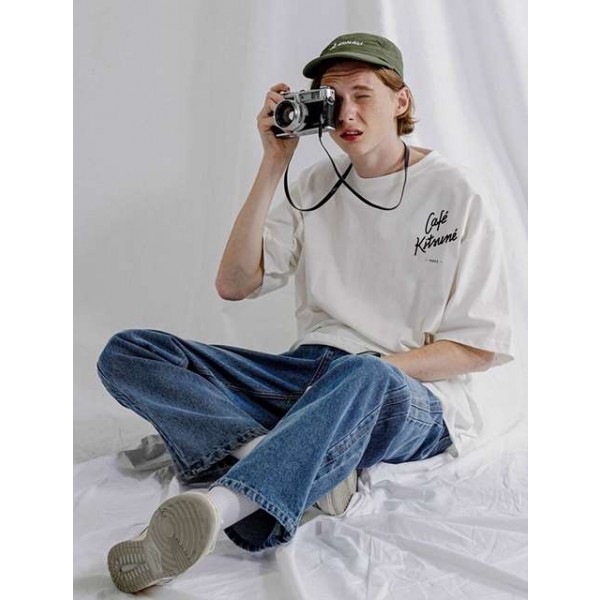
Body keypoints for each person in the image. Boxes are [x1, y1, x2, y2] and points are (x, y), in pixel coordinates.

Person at [96, 32, 514, 594]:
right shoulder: (314, 184)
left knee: (363, 372)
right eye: (333, 98)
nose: (347, 113)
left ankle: (221, 507)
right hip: (308, 372)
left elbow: (478, 347)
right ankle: (280, 457)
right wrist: (274, 164)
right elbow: (234, 284)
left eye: (363, 95)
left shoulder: (456, 192)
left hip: (407, 392)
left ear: (402, 100)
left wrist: (373, 367)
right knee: (131, 351)